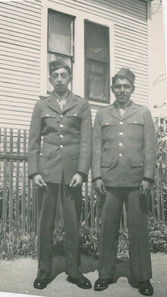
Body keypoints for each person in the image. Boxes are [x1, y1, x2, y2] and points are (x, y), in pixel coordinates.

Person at [28, 58, 92, 290]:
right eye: (55, 76)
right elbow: (34, 141)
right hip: (47, 173)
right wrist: (34, 171)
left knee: (72, 224)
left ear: (70, 78)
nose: (59, 80)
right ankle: (43, 272)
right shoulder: (41, 105)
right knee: (45, 225)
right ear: (50, 79)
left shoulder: (81, 105)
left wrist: (82, 172)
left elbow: (86, 142)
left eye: (63, 75)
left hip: (72, 174)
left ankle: (74, 272)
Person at [92, 68, 156, 296]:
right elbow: (96, 147)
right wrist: (97, 176)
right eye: (118, 86)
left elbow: (150, 148)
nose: (121, 90)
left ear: (132, 89)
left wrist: (148, 176)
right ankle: (105, 274)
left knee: (138, 230)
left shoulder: (143, 113)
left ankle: (142, 277)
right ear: (112, 89)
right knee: (108, 228)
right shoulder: (102, 114)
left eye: (125, 86)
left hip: (136, 180)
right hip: (109, 180)